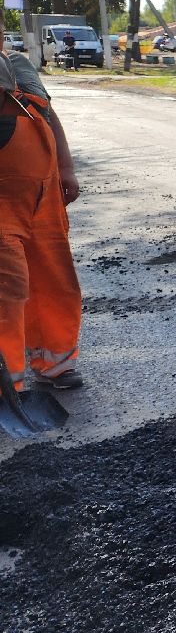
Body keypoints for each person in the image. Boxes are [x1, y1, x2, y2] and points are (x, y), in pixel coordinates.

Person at [0, 34, 83, 392]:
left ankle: (56, 363)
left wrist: (65, 166)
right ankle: (8, 381)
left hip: (43, 194)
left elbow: (47, 114)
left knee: (56, 279)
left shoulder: (18, 64)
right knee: (8, 288)